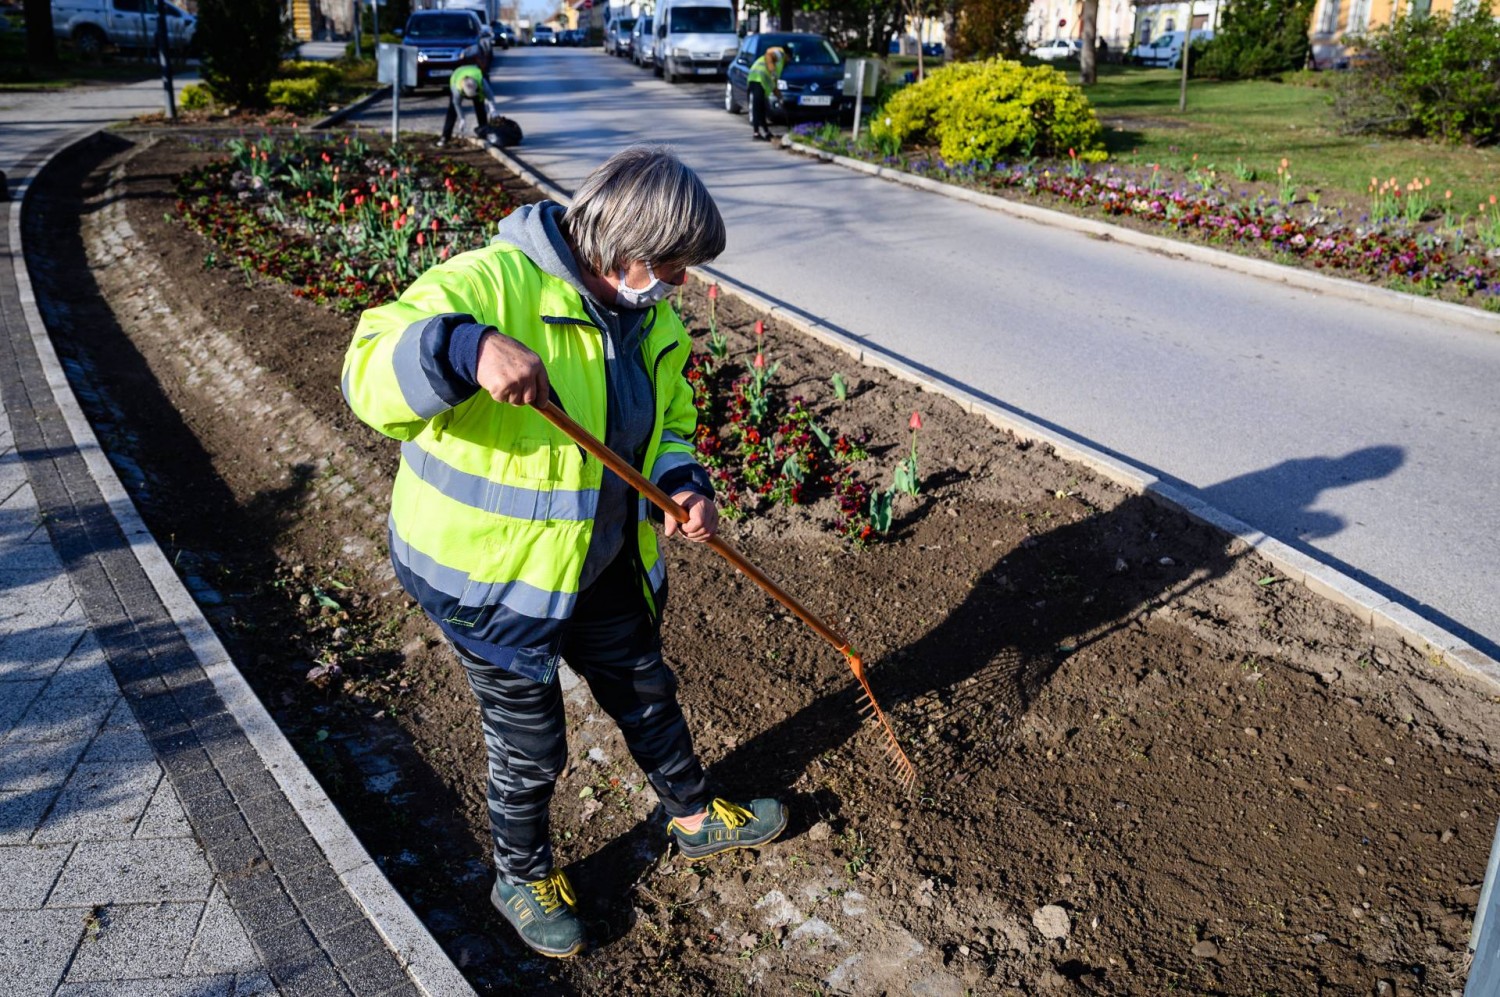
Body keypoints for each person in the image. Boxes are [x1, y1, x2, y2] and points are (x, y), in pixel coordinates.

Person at [341, 146, 787, 959]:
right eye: (674, 265)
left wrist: (682, 482)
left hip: (601, 553)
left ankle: (691, 815)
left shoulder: (650, 318)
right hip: (495, 577)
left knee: (645, 685)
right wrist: (465, 350)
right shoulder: (493, 283)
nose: (681, 285)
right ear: (626, 246)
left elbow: (672, 417)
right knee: (532, 738)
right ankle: (520, 874)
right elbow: (366, 367)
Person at [439, 63, 497, 147]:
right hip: (457, 74)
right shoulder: (456, 89)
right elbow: (457, 104)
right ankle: (445, 137)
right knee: (452, 110)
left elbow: (490, 96)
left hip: (474, 75)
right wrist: (462, 118)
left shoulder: (481, 81)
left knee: (480, 108)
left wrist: (493, 110)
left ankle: (484, 135)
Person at [746, 46, 787, 141]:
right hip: (757, 79)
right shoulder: (781, 54)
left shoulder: (780, 65)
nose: (788, 62)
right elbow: (768, 54)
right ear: (788, 56)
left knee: (762, 108)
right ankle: (756, 133)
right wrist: (772, 71)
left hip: (758, 81)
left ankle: (766, 132)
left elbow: (774, 85)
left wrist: (779, 97)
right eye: (789, 59)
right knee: (757, 107)